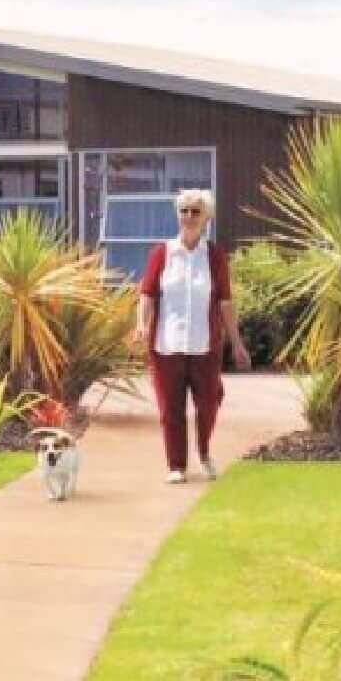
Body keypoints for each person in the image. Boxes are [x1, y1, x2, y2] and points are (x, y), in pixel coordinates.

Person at [134, 188, 249, 483]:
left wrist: (236, 343)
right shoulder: (162, 253)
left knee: (209, 402)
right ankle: (176, 466)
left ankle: (204, 452)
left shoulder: (214, 256)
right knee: (170, 408)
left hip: (204, 345)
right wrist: (141, 325)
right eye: (184, 210)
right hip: (166, 344)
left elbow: (225, 301)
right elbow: (146, 294)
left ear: (206, 217)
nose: (188, 216)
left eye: (195, 211)